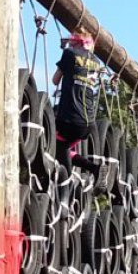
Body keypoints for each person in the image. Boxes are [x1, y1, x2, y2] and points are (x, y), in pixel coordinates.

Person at [52, 30, 110, 190]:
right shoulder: (96, 62)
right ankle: (94, 168)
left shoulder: (70, 54)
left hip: (69, 119)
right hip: (88, 123)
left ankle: (66, 187)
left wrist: (64, 54)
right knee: (65, 148)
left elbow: (54, 80)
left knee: (55, 145)